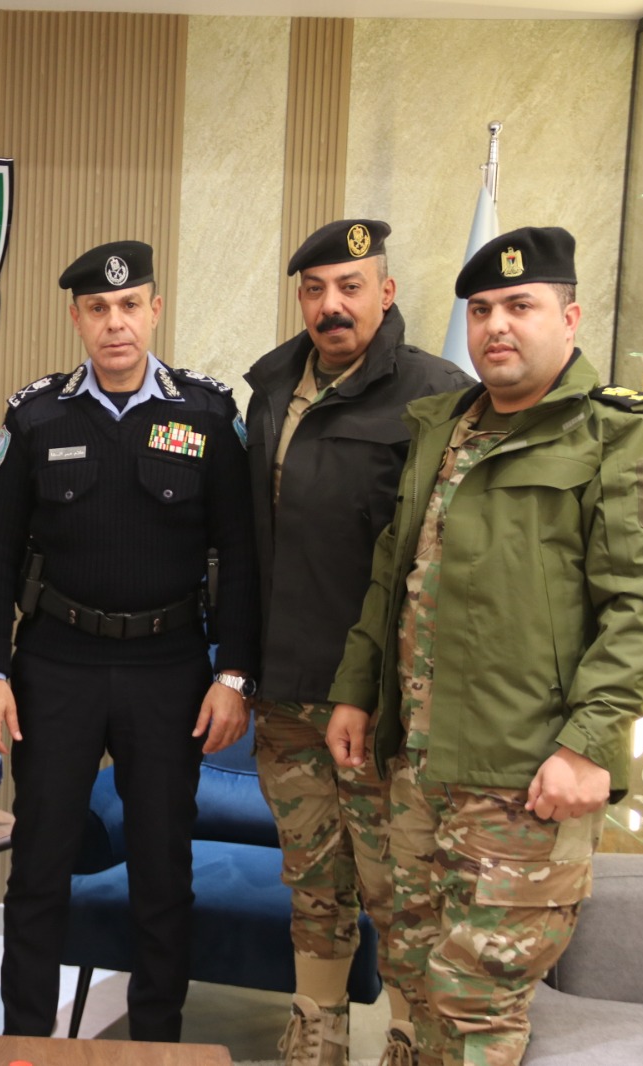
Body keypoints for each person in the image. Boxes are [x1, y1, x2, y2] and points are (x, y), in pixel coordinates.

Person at [326, 226, 643, 1066]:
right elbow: (394, 574)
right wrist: (355, 689)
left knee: (474, 1006)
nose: (496, 325)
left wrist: (588, 744)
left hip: (524, 782)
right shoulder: (444, 428)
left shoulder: (623, 438)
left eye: (519, 306)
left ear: (568, 318)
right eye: (482, 309)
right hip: (417, 770)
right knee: (413, 982)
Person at [0, 241, 258, 1042]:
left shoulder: (206, 414)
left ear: (155, 310)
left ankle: (156, 1043)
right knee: (39, 868)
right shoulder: (37, 416)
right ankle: (26, 1044)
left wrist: (234, 673)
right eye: (98, 308)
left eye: (130, 306)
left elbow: (242, 553)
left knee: (163, 870)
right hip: (57, 663)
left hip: (169, 667)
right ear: (77, 319)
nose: (115, 322)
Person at [244, 219, 470, 1066]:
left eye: (350, 286)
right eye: (314, 290)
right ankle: (318, 1030)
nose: (331, 306)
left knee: (400, 889)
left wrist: (382, 692)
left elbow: (438, 563)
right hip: (287, 691)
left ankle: (407, 1040)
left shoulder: (438, 395)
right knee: (313, 881)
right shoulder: (273, 386)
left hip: (381, 702)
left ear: (387, 291)